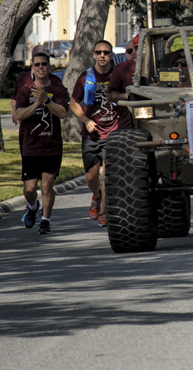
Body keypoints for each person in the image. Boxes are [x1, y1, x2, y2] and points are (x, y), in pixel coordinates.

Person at [69, 40, 132, 227]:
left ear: (111, 55)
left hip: (115, 131)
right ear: (94, 55)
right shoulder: (85, 77)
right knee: (91, 177)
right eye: (99, 52)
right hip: (92, 134)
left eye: (106, 52)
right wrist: (86, 120)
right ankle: (96, 197)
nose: (102, 55)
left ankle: (104, 212)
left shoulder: (119, 75)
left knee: (109, 174)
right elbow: (73, 103)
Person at [14, 47, 69, 234]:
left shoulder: (57, 87)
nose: (40, 67)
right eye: (37, 64)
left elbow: (62, 113)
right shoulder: (25, 88)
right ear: (32, 67)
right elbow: (19, 114)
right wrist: (36, 103)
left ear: (49, 67)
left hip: (52, 145)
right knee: (29, 188)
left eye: (44, 64)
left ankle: (45, 220)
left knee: (47, 184)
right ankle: (32, 206)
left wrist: (46, 101)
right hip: (30, 145)